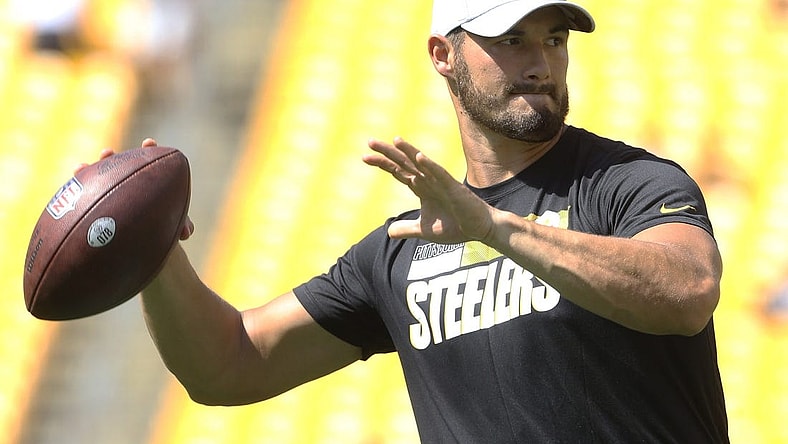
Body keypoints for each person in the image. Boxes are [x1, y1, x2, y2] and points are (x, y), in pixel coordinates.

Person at [95, 0, 730, 441]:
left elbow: (687, 290)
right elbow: (229, 364)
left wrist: (496, 229)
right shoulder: (401, 251)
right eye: (512, 41)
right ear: (443, 54)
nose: (540, 62)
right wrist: (153, 246)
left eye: (554, 40)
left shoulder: (629, 183)